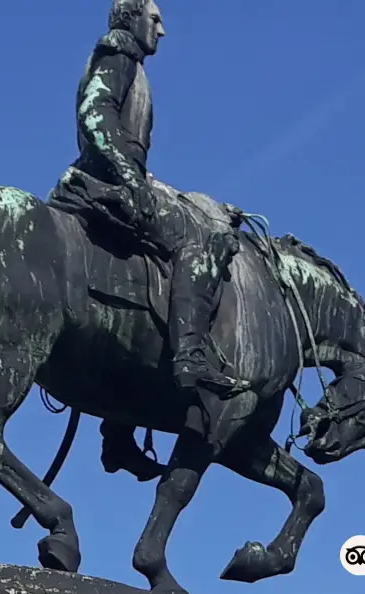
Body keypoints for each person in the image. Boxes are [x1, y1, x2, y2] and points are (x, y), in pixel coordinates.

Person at [49, 0, 249, 399]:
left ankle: (119, 428)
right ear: (132, 18)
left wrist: (153, 184)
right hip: (107, 187)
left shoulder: (124, 61)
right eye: (155, 19)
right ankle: (190, 353)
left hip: (111, 180)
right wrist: (129, 177)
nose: (162, 30)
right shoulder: (119, 55)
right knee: (201, 245)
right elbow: (95, 116)